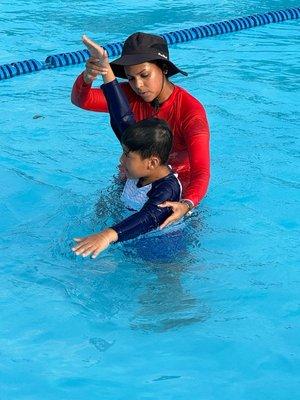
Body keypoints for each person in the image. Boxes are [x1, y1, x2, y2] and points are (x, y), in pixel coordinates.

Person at [71, 32, 210, 228]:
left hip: (175, 191)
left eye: (144, 75)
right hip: (133, 177)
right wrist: (87, 77)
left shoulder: (190, 112)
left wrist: (187, 204)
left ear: (163, 69)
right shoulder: (127, 95)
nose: (138, 85)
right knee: (98, 222)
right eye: (131, 78)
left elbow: (201, 171)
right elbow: (82, 100)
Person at [72, 118, 182, 258]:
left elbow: (149, 217)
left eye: (127, 155)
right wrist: (120, 181)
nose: (121, 159)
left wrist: (107, 235)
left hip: (161, 249)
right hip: (128, 235)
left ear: (152, 163)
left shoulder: (167, 190)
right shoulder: (140, 173)